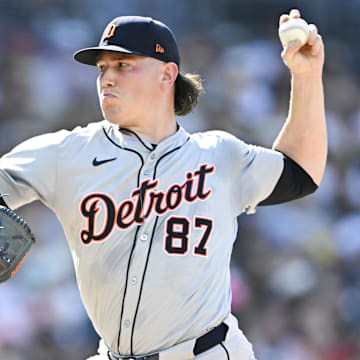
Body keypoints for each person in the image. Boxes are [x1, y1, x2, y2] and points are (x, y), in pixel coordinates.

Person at [0, 8, 326, 360]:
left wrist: (306, 76)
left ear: (167, 74)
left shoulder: (218, 155)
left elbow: (300, 173)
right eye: (102, 68)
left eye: (123, 65)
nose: (107, 78)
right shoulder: (67, 154)